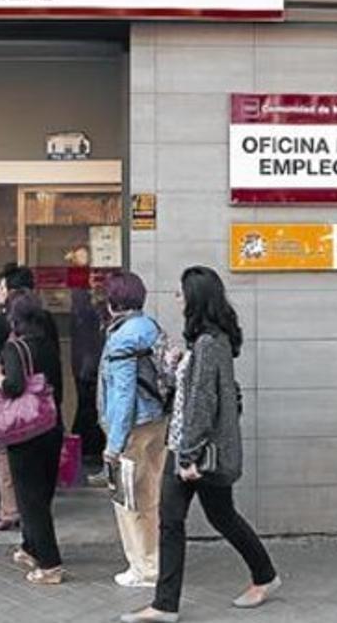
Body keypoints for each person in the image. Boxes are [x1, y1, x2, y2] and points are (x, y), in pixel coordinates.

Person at [122, 266, 279, 623]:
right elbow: (208, 392)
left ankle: (164, 605)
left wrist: (188, 455)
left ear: (194, 298)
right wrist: (180, 365)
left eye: (180, 293)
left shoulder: (209, 344)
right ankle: (265, 575)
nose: (177, 299)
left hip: (190, 449)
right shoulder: (211, 341)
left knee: (171, 521)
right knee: (221, 516)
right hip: (198, 446)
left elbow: (203, 403)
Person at [0, 293, 67, 585]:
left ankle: (50, 564)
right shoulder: (48, 344)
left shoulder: (14, 348)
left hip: (26, 431)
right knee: (41, 494)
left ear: (13, 319)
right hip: (50, 424)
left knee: (30, 499)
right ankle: (31, 548)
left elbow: (14, 387)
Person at [99, 271, 170, 588]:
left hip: (133, 429)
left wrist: (114, 444)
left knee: (129, 500)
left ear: (113, 302)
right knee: (150, 494)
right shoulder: (151, 327)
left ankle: (143, 568)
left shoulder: (123, 337)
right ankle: (153, 559)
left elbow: (123, 393)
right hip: (157, 422)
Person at [0, 264, 58, 531]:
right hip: (42, 401)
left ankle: (10, 510)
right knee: (38, 460)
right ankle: (35, 507)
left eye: (1, 287)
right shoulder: (45, 319)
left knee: (4, 453)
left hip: (11, 396)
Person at [68, 245, 109, 473]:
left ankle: (86, 451)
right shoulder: (82, 300)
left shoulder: (99, 303)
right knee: (87, 406)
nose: (96, 280)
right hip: (87, 360)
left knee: (91, 407)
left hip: (91, 359)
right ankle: (83, 452)